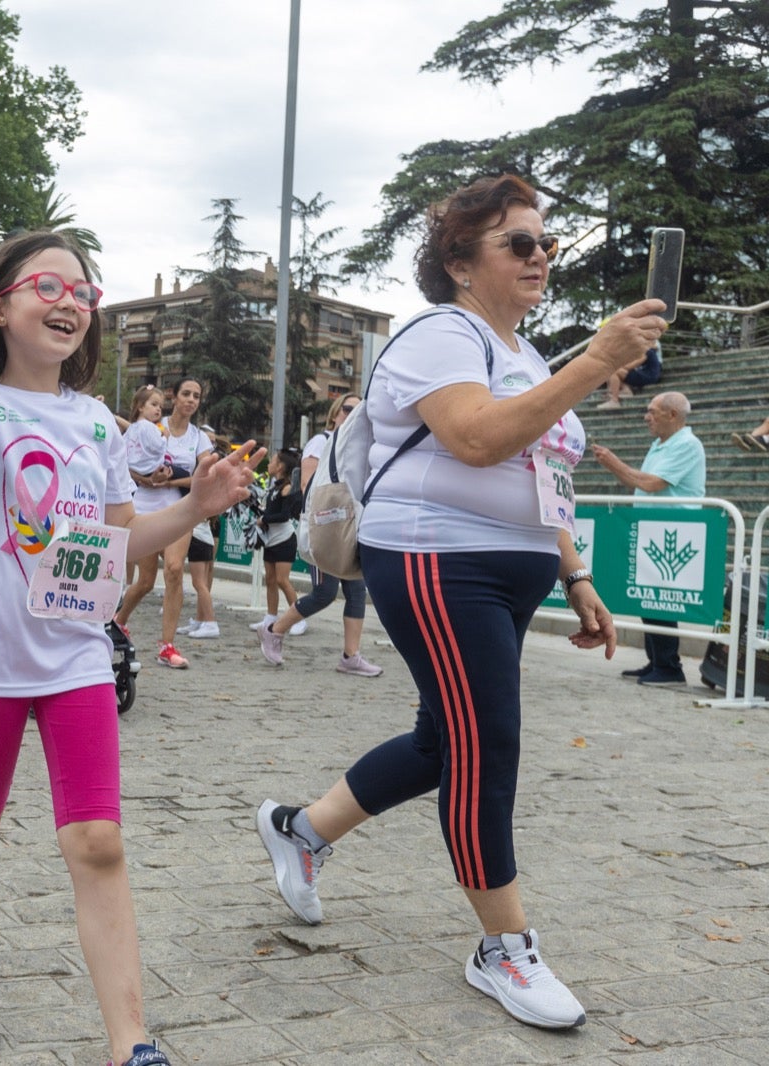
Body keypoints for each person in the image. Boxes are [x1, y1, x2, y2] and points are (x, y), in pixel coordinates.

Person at [255, 174, 668, 1032]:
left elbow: (541, 476)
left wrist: (576, 574)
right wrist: (598, 359)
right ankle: (503, 949)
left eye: (545, 242)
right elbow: (477, 439)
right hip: (438, 560)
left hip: (511, 566)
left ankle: (301, 830)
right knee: (488, 739)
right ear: (460, 260)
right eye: (518, 243)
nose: (540, 256)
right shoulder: (440, 333)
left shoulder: (524, 356)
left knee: (444, 739)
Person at [0, 230, 265, 1066]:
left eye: (85, 292)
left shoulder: (100, 426)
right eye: (47, 286)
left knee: (98, 841)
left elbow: (121, 543)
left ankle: (130, 1044)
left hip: (74, 657)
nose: (71, 302)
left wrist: (195, 508)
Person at [258, 394, 383, 676]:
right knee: (324, 592)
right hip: (328, 523)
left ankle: (351, 656)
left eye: (358, 409)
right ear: (336, 413)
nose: (353, 413)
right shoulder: (322, 441)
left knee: (355, 590)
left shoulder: (363, 444)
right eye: (348, 408)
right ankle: (274, 630)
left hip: (354, 522)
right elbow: (310, 484)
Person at [590, 390, 706, 685]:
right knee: (647, 597)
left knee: (660, 599)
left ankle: (669, 667)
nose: (646, 416)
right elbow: (641, 482)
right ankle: (657, 661)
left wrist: (614, 463)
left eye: (652, 411)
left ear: (673, 415)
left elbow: (652, 483)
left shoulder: (687, 444)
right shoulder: (660, 444)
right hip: (652, 527)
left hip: (674, 530)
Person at [112, 378, 214, 669]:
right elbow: (125, 459)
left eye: (196, 396)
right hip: (144, 505)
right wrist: (146, 480)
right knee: (144, 581)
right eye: (186, 394)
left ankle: (167, 646)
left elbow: (201, 476)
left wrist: (169, 481)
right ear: (174, 397)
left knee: (173, 570)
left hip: (178, 509)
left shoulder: (199, 438)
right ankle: (119, 621)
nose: (191, 400)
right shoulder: (152, 422)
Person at [253, 448, 302, 644]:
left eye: (272, 461)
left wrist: (264, 518)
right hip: (270, 540)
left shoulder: (287, 487)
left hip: (284, 540)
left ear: (281, 466)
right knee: (271, 580)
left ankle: (299, 618)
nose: (270, 464)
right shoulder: (273, 487)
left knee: (282, 580)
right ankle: (270, 617)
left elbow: (284, 515)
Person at [595, 342, 661, 409]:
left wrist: (619, 366)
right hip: (643, 374)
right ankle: (625, 391)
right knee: (612, 369)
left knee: (614, 371)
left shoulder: (647, 351)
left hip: (649, 376)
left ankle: (614, 401)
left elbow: (630, 366)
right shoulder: (642, 350)